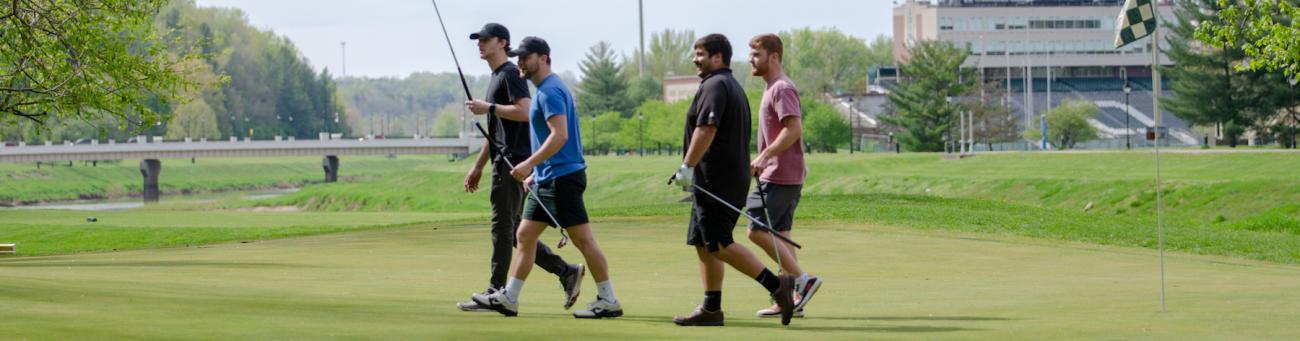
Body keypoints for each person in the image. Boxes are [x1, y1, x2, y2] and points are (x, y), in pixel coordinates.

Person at [476, 36, 623, 319]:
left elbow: (560, 136)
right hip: (548, 178)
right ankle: (511, 297)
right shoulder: (544, 90)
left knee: (584, 241)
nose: (521, 63)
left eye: (526, 57)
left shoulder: (551, 91)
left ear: (543, 58)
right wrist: (537, 174)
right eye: (518, 58)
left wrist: (530, 164)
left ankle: (608, 299)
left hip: (562, 178)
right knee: (524, 234)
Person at [669, 33, 796, 327]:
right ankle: (712, 308)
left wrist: (687, 166)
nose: (694, 59)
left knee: (720, 244)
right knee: (704, 242)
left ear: (717, 57)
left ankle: (778, 286)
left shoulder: (716, 85)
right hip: (716, 179)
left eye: (700, 54)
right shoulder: (727, 84)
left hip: (717, 180)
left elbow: (706, 129)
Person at [458, 24, 583, 313]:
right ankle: (565, 271)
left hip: (515, 161)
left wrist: (489, 107)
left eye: (486, 40)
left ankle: (496, 291)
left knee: (503, 227)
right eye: (478, 40)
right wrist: (477, 166)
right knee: (516, 229)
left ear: (502, 43)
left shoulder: (510, 75)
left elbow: (525, 112)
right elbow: (494, 132)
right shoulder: (497, 77)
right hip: (504, 159)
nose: (480, 44)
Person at [746, 33, 822, 319]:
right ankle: (789, 301)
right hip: (784, 175)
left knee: (755, 230)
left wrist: (765, 156)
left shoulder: (781, 88)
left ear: (773, 56)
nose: (751, 60)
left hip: (778, 175)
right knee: (782, 238)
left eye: (756, 54)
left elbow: (794, 129)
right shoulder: (771, 88)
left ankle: (804, 280)